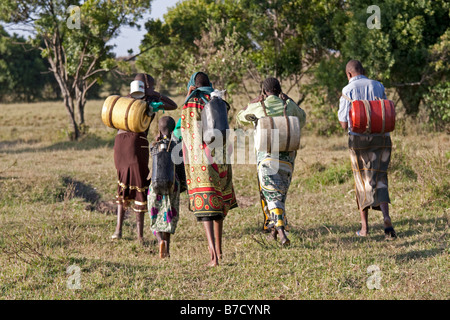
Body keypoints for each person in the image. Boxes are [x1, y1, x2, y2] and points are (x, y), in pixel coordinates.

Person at [236, 77, 306, 246]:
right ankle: (274, 231)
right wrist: (289, 99)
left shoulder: (259, 106)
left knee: (270, 194)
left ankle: (281, 232)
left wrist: (252, 103)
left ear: (264, 92)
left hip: (266, 158)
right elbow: (302, 117)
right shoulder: (288, 105)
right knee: (278, 194)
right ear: (279, 90)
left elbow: (240, 118)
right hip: (288, 158)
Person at [111, 73, 177, 243]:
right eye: (152, 86)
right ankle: (140, 236)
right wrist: (155, 94)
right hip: (135, 143)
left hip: (119, 144)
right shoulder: (149, 101)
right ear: (146, 86)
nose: (154, 89)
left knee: (123, 184)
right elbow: (172, 105)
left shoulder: (124, 100)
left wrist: (149, 92)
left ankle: (118, 230)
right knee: (139, 186)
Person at [180, 72, 238, 267]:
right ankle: (220, 252)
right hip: (221, 157)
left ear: (192, 85)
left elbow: (189, 135)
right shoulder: (216, 98)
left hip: (202, 160)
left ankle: (212, 256)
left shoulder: (191, 103)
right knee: (219, 206)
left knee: (206, 208)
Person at [338, 59, 397, 239]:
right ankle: (386, 220)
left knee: (361, 179)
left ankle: (364, 228)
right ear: (363, 70)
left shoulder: (347, 90)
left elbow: (343, 123)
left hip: (358, 140)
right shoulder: (378, 85)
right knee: (380, 177)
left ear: (349, 74)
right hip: (382, 138)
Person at [147, 116, 180, 258]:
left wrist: (157, 138)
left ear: (159, 129)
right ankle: (167, 248)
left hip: (155, 185)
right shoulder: (176, 144)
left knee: (155, 215)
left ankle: (160, 241)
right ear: (173, 130)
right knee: (168, 216)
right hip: (173, 184)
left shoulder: (153, 145)